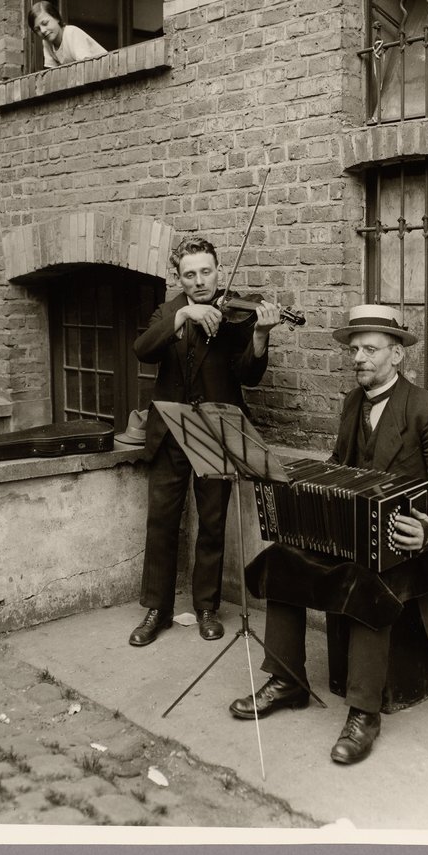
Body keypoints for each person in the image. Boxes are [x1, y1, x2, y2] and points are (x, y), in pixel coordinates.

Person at [229, 304, 428, 765]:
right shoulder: (351, 403)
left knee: (368, 576)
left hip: (410, 546)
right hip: (358, 535)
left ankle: (364, 713)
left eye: (370, 349)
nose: (358, 358)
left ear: (397, 355)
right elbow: (342, 467)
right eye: (354, 349)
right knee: (284, 555)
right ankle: (287, 680)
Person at [129, 236, 282, 647]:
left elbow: (248, 375)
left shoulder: (236, 315)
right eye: (190, 275)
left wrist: (261, 336)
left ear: (218, 269)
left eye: (207, 272)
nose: (200, 281)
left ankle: (207, 607)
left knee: (212, 523)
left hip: (216, 434)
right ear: (179, 278)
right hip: (169, 435)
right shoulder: (169, 311)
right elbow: (143, 350)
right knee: (161, 522)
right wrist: (182, 318)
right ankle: (157, 609)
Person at [27, 1, 108, 68]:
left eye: (45, 23)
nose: (43, 30)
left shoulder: (71, 33)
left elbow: (86, 66)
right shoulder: (47, 42)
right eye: (37, 29)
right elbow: (52, 72)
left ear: (56, 18)